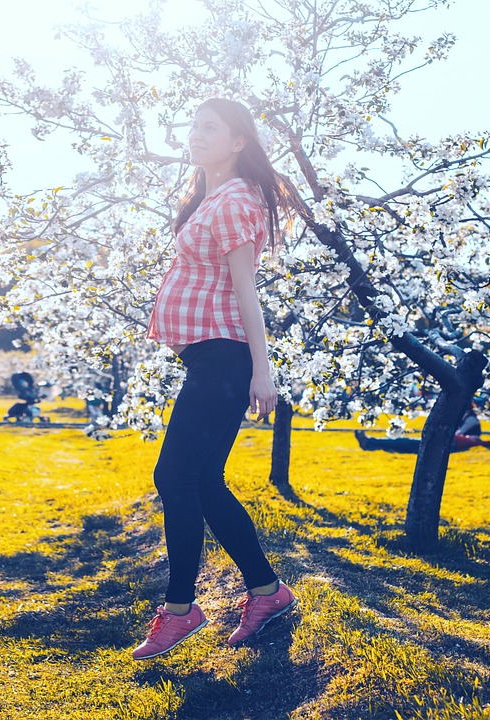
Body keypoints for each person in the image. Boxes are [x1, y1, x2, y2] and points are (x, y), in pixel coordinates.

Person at [132, 98, 307, 661]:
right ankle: (267, 592)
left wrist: (263, 368)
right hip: (209, 359)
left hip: (226, 359)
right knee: (203, 482)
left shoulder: (232, 200)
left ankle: (181, 609)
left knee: (174, 477)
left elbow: (246, 291)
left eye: (211, 127)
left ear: (238, 142)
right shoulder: (211, 195)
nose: (196, 133)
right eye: (193, 124)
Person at [355, 403, 490, 453]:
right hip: (443, 443)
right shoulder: (464, 419)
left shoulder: (470, 420)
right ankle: (371, 443)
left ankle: (370, 443)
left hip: (444, 445)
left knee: (403, 442)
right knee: (403, 442)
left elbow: (460, 436)